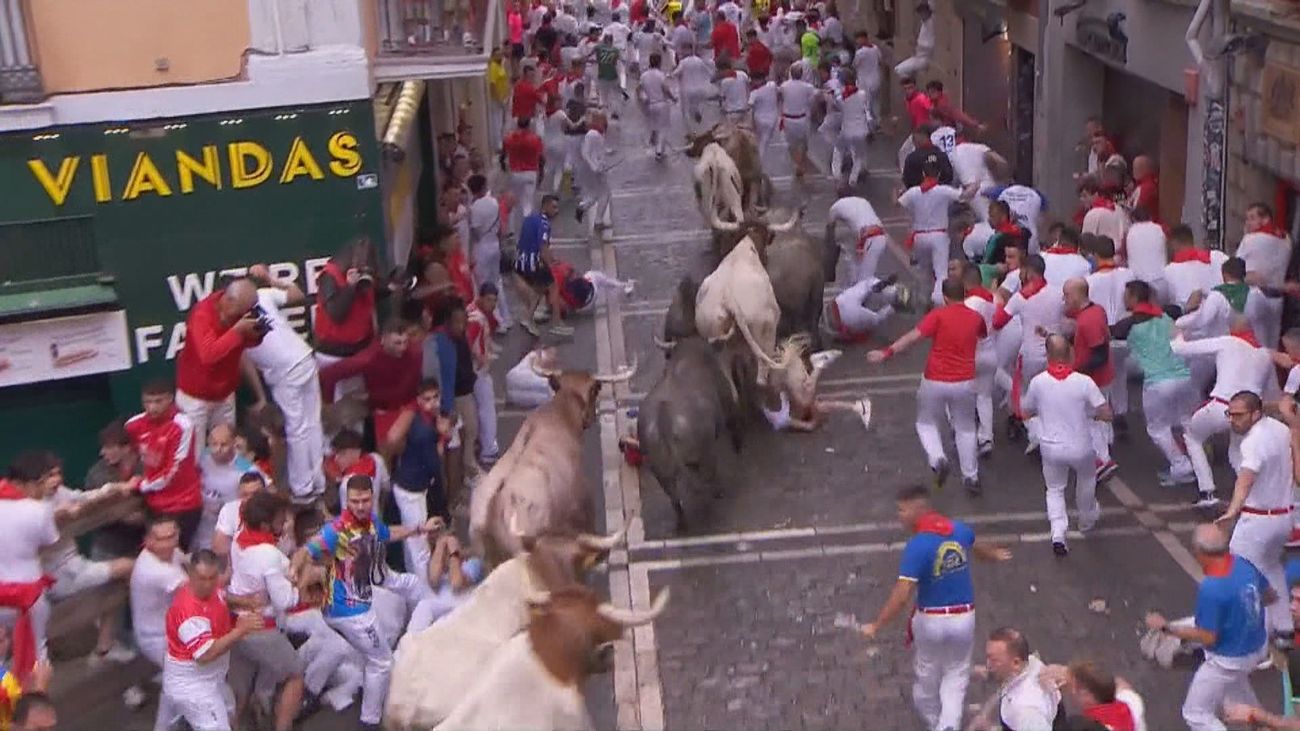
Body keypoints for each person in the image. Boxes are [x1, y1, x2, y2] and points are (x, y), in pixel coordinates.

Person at [290, 475, 438, 731]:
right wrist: (295, 568)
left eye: (365, 500)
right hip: (349, 610)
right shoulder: (336, 530)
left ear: (372, 498)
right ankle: (369, 723)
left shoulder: (369, 522)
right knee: (382, 663)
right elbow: (308, 549)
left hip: (362, 594)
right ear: (346, 501)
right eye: (354, 501)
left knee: (413, 586)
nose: (360, 506)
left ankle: (420, 636)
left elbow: (387, 533)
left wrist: (420, 528)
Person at [858, 485, 1012, 731]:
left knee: (927, 671)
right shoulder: (957, 530)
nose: (899, 515)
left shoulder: (918, 546)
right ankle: (948, 724)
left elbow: (901, 596)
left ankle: (933, 720)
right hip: (964, 616)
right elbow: (975, 544)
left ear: (917, 509)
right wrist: (994, 554)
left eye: (902, 509)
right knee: (957, 673)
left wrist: (877, 625)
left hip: (931, 619)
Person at [1145, 523, 1270, 731]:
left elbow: (1207, 636)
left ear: (1199, 552)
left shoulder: (1212, 587)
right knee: (1240, 701)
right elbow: (1268, 595)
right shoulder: (1243, 565)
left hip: (1227, 659)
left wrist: (1166, 628)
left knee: (1195, 713)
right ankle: (1263, 727)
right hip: (1256, 646)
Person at [869, 278, 986, 493]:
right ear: (965, 294)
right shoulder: (976, 318)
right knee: (966, 428)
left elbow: (913, 337)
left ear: (945, 297)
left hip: (935, 379)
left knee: (926, 423)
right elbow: (983, 337)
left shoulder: (938, 315)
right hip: (965, 381)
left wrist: (887, 352)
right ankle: (971, 476)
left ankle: (937, 458)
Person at [37, 452, 137, 664]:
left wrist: (116, 488)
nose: (56, 480)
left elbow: (84, 497)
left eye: (57, 474)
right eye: (49, 476)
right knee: (129, 568)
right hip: (56, 577)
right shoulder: (29, 508)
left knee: (123, 576)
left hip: (74, 567)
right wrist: (59, 516)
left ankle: (105, 645)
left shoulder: (60, 493)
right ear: (36, 480)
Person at [1020, 334, 1111, 556]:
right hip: (1081, 445)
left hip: (1051, 447)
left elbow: (1026, 410)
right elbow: (1106, 412)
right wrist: (1093, 417)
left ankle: (1058, 533)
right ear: (1070, 353)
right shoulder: (1083, 382)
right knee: (1087, 481)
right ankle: (1086, 519)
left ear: (1047, 355)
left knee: (1054, 489)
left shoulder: (1038, 382)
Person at [1172, 316, 1276, 508]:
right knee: (1237, 452)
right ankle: (1252, 495)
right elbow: (1270, 392)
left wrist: (1178, 333)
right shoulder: (1264, 355)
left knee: (1193, 437)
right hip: (1250, 412)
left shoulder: (1227, 342)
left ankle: (1207, 492)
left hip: (1222, 406)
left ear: (1231, 328)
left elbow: (1180, 349)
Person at [1216, 390, 1295, 642]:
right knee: (1271, 568)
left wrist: (1231, 512)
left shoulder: (1252, 442)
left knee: (1239, 576)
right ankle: (1283, 628)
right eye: (1230, 414)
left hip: (1257, 521)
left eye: (1238, 415)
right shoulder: (1280, 430)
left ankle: (1246, 635)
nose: (1232, 420)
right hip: (1284, 518)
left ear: (1255, 413)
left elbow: (1245, 481)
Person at [225, 491, 306, 731]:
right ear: (265, 524)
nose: (284, 524)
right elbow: (285, 601)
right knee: (295, 675)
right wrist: (301, 582)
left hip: (237, 625)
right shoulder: (268, 555)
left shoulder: (239, 538)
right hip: (262, 629)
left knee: (240, 688)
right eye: (280, 520)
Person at [156, 549, 262, 731]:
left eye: (212, 578)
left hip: (213, 679)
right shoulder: (188, 612)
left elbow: (222, 597)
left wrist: (245, 602)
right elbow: (205, 654)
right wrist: (240, 630)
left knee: (228, 712)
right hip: (193, 685)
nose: (207, 584)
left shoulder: (212, 590)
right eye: (202, 579)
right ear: (190, 574)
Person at [1110, 280, 1197, 487]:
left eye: (1126, 294)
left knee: (1158, 428)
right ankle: (1198, 462)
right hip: (1183, 377)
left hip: (1158, 381)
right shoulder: (1164, 316)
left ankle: (1181, 466)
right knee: (1184, 421)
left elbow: (1105, 334)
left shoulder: (1128, 324)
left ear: (1132, 297)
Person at [993, 254, 1066, 453]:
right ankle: (1053, 432)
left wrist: (998, 302)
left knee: (1022, 397)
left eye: (1023, 271)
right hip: (1056, 354)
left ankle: (1036, 435)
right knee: (1050, 395)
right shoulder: (1058, 292)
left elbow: (998, 321)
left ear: (1029, 272)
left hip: (1030, 357)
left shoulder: (1020, 297)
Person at [175, 277, 262, 441]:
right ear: (228, 300)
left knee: (226, 445)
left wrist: (255, 333)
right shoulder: (203, 313)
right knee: (194, 452)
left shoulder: (245, 308)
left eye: (246, 310)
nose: (242, 314)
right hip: (195, 397)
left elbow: (253, 342)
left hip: (224, 394)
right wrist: (237, 331)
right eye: (239, 310)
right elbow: (208, 354)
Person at [0, 454, 61, 679]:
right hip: (30, 595)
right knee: (37, 651)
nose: (42, 488)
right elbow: (50, 542)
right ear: (19, 484)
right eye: (38, 482)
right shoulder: (40, 510)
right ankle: (33, 707)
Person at [383, 379, 453, 578]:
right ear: (419, 400)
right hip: (409, 486)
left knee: (415, 542)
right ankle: (423, 588)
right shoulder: (412, 413)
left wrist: (442, 433)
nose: (433, 402)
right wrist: (399, 456)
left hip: (424, 485)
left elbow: (439, 452)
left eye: (435, 397)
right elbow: (392, 438)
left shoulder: (437, 417)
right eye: (427, 399)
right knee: (418, 542)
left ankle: (416, 582)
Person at [319, 318, 425, 447]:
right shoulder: (369, 359)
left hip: (410, 403)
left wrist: (371, 396)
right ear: (383, 340)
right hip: (378, 405)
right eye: (397, 343)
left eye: (405, 342)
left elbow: (406, 390)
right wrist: (328, 404)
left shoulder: (415, 353)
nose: (402, 347)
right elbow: (328, 374)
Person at [125, 380, 204, 549]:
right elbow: (128, 456)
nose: (152, 407)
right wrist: (128, 480)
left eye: (158, 401)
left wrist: (141, 485)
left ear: (170, 399)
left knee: (175, 554)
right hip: (153, 505)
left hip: (183, 504)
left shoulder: (183, 425)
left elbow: (174, 471)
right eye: (148, 402)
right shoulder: (133, 426)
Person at [314, 238, 385, 403]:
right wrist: (350, 287)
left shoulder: (368, 274)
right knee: (335, 409)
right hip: (332, 355)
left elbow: (370, 292)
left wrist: (390, 287)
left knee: (355, 408)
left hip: (358, 352)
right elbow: (336, 314)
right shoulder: (329, 276)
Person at [1063, 278, 1118, 481]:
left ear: (1078, 295)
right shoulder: (1096, 311)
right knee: (1095, 419)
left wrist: (1076, 372)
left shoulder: (1088, 320)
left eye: (1067, 295)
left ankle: (1102, 460)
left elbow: (1099, 354)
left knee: (1089, 420)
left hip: (1094, 379)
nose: (1064, 299)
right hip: (1102, 377)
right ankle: (1103, 457)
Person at [1085, 236, 1136, 433]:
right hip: (1126, 334)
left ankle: (1105, 423)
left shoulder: (1090, 281)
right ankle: (1121, 413)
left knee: (1103, 379)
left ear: (1095, 256)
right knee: (1120, 373)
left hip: (1103, 335)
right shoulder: (1128, 274)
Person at [431, 299, 480, 500]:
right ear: (448, 322)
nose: (462, 326)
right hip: (453, 399)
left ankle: (456, 491)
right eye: (458, 322)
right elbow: (444, 378)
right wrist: (447, 407)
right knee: (457, 442)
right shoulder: (442, 344)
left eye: (464, 321)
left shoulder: (457, 340)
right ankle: (454, 494)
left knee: (468, 433)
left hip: (460, 393)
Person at [129, 516, 187, 686]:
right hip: (157, 637)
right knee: (191, 680)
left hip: (169, 629)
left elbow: (189, 561)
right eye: (162, 539)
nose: (169, 543)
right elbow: (200, 594)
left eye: (172, 536)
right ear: (148, 541)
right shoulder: (157, 570)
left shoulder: (172, 552)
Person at [897, 161, 965, 306]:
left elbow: (898, 204)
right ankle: (939, 301)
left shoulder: (914, 192)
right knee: (941, 272)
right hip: (938, 236)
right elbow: (964, 196)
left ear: (923, 174)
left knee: (924, 271)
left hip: (919, 237)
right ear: (938, 174)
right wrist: (975, 186)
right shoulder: (943, 190)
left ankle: (924, 299)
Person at [84, 422, 147, 563]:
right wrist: (121, 515)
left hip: (146, 546)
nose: (102, 452)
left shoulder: (150, 469)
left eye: (108, 447)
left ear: (127, 448)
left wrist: (144, 516)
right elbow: (93, 509)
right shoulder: (97, 473)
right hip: (108, 547)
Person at [981, 627, 1062, 730]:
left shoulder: (1026, 710)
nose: (988, 665)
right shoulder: (1029, 663)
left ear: (1016, 663)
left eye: (994, 660)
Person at [514, 195, 573, 337]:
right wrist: (550, 263)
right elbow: (543, 246)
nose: (556, 211)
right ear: (545, 206)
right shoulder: (544, 224)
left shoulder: (529, 219)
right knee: (553, 288)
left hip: (521, 261)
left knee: (538, 291)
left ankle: (527, 317)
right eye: (553, 207)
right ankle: (556, 323)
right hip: (535, 262)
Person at [406, 532, 487, 633]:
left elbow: (456, 584)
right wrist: (441, 544)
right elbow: (433, 580)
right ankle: (409, 642)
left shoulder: (473, 563)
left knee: (426, 606)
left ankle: (410, 641)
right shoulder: (442, 572)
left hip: (462, 610)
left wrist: (454, 552)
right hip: (442, 616)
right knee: (424, 605)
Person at [1237, 202, 1292, 348]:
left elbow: (1235, 267)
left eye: (1252, 218)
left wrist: (1245, 236)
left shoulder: (1251, 239)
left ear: (1266, 219)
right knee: (1271, 345)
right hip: (1277, 298)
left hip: (1255, 295)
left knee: (1254, 344)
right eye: (1247, 218)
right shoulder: (1286, 241)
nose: (1248, 222)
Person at [465, 174, 512, 333]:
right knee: (497, 281)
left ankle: (496, 321)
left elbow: (476, 233)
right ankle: (506, 318)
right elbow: (499, 227)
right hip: (494, 244)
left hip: (482, 248)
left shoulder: (475, 208)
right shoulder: (493, 202)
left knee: (483, 286)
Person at [961, 262, 998, 457]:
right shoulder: (992, 300)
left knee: (963, 394)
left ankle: (964, 433)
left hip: (972, 355)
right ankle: (986, 437)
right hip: (990, 352)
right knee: (984, 397)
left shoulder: (968, 304)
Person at [467, 283, 502, 465]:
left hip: (476, 368)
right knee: (486, 408)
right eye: (489, 299)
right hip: (478, 370)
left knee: (479, 408)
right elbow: (469, 341)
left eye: (495, 300)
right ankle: (488, 448)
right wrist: (479, 357)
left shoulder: (474, 312)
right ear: (480, 297)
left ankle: (482, 444)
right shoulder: (476, 319)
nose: (493, 304)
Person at [825, 195, 890, 284]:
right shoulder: (863, 201)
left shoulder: (835, 207)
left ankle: (892, 290)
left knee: (863, 282)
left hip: (869, 239)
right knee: (858, 275)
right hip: (880, 236)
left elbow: (830, 231)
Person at [575, 111, 615, 236]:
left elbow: (597, 150)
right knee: (605, 193)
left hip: (598, 168)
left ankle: (583, 207)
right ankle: (598, 221)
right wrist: (594, 166)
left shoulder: (597, 133)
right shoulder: (593, 134)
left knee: (596, 193)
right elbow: (585, 152)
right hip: (596, 169)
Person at [779, 64, 819, 180]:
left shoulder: (784, 86)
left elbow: (779, 96)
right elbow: (817, 95)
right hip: (802, 119)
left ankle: (798, 164)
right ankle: (800, 162)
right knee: (803, 143)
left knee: (791, 145)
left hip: (788, 119)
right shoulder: (807, 87)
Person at [836, 67, 872, 186]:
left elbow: (839, 108)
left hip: (846, 130)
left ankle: (837, 175)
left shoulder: (840, 98)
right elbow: (866, 109)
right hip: (861, 130)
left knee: (838, 152)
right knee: (858, 155)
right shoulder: (862, 94)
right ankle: (853, 178)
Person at [669, 42, 715, 133]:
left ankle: (690, 133)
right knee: (697, 106)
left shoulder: (683, 62)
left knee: (686, 113)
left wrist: (669, 75)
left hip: (686, 90)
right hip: (700, 89)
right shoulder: (699, 60)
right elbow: (709, 73)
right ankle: (700, 125)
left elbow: (675, 74)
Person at [638, 52, 676, 160]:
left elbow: (639, 90)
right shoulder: (660, 75)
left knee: (655, 126)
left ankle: (655, 143)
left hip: (651, 105)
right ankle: (659, 151)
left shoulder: (644, 75)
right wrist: (673, 98)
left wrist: (643, 99)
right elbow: (665, 89)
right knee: (663, 128)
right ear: (659, 62)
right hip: (662, 104)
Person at [901, 123, 955, 190]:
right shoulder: (942, 155)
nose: (913, 141)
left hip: (917, 196)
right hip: (941, 195)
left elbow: (907, 181)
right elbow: (948, 177)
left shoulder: (912, 158)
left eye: (914, 138)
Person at [1079, 178, 1129, 248]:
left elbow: (1085, 243)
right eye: (1081, 196)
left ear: (1096, 194)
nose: (1082, 200)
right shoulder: (1119, 209)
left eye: (1085, 196)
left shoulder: (1092, 214)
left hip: (1103, 256)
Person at [748, 72, 780, 169]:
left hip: (760, 120)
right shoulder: (772, 86)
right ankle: (758, 162)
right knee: (764, 142)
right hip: (772, 119)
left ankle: (758, 164)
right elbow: (779, 93)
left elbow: (749, 106)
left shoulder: (755, 94)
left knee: (761, 143)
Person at [895, 2, 934, 76]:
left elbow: (931, 45)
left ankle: (911, 86)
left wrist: (918, 45)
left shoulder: (931, 24)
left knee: (900, 70)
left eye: (922, 13)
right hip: (917, 56)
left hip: (924, 58)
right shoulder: (923, 23)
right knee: (898, 69)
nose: (921, 16)